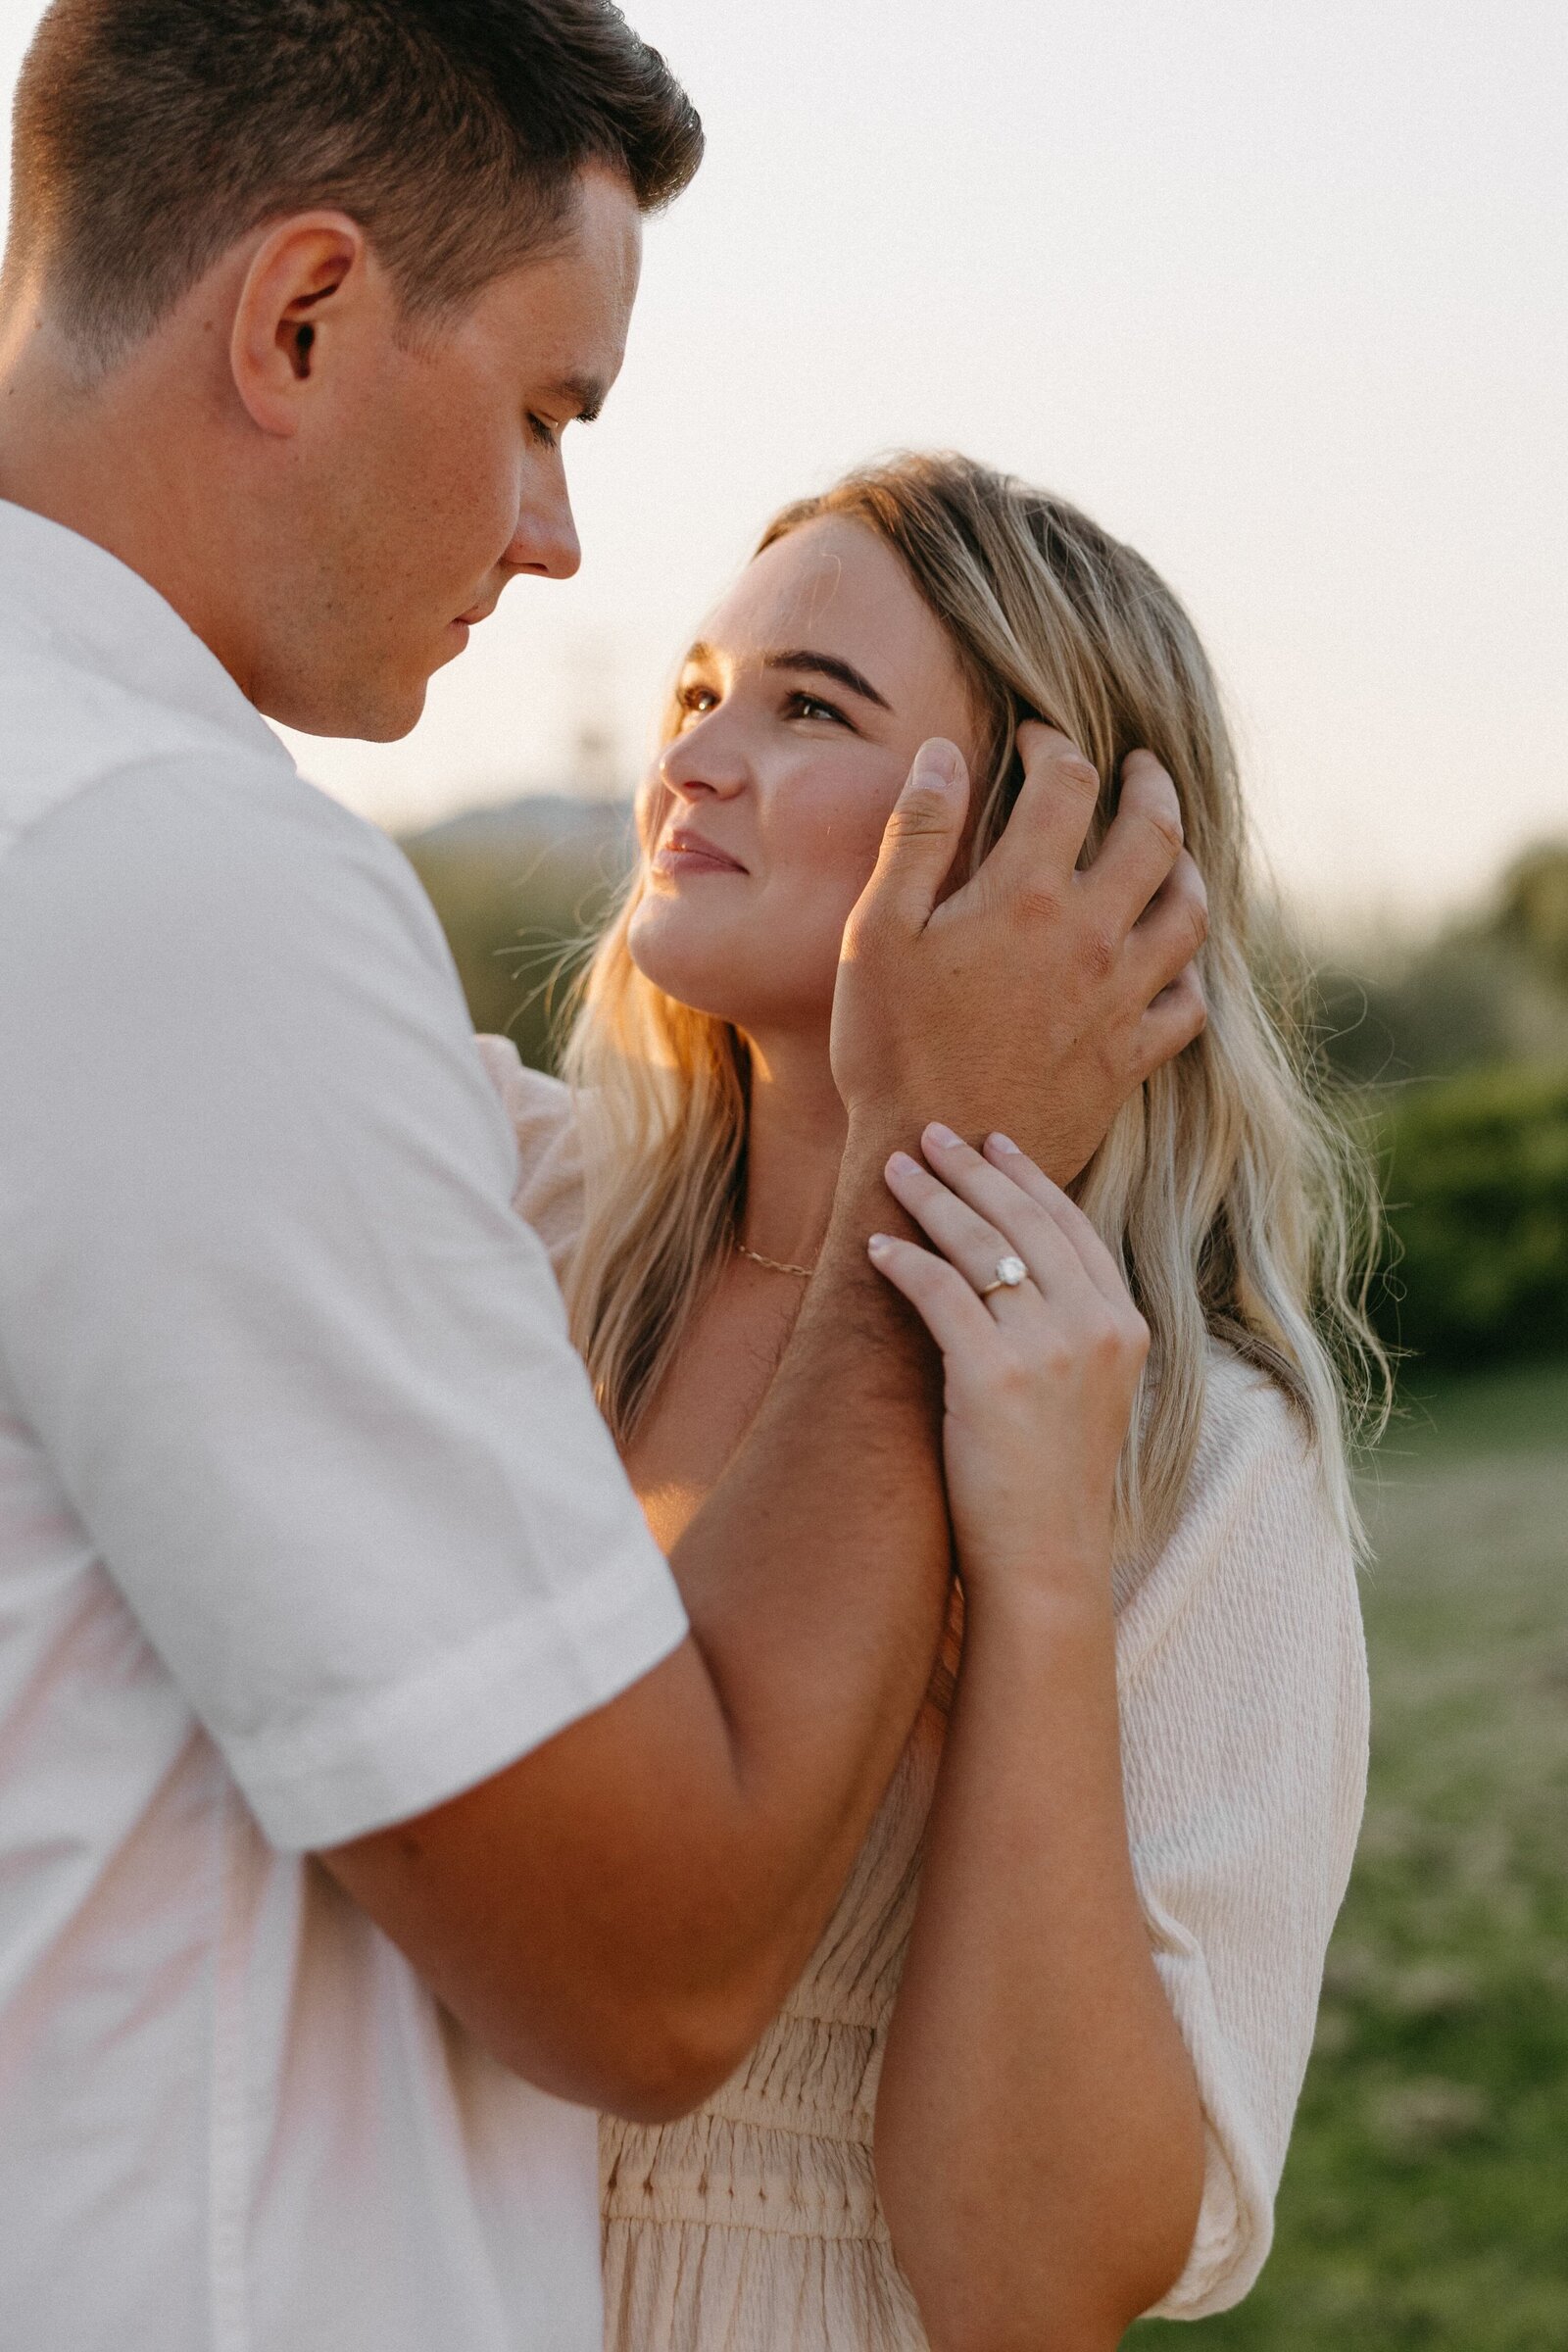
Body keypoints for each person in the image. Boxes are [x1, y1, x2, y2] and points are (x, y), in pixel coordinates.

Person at [0, 8, 1210, 2350]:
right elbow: (650, 1966)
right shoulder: (175, 889)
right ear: (303, 317)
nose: (553, 536)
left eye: (817, 708)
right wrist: (927, 1172)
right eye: (549, 411)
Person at [477, 452, 1381, 2350]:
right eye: (696, 696)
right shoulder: (499, 1227)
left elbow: (1029, 2283)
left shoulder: (1194, 1456)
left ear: (1055, 856)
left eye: (809, 708)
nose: (692, 766)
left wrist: (1034, 1576)